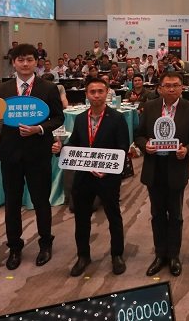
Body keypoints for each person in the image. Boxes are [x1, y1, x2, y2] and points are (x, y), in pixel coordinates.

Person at [0, 43, 64, 270]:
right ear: (13, 63)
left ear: (36, 62)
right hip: (11, 153)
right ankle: (14, 247)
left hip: (38, 153)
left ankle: (45, 243)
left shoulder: (48, 88)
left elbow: (58, 118)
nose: (25, 64)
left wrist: (39, 129)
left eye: (29, 59)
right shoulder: (1, 90)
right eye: (20, 60)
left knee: (41, 201)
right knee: (12, 202)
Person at [51, 78, 131, 277]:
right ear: (86, 94)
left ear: (107, 93)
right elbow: (74, 144)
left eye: (100, 91)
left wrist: (109, 169)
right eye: (92, 92)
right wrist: (61, 149)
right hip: (84, 177)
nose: (96, 95)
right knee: (81, 218)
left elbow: (122, 148)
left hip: (107, 177)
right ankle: (83, 256)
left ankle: (117, 254)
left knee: (113, 216)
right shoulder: (80, 119)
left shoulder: (117, 118)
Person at [134, 72, 189, 277]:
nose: (171, 89)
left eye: (176, 85)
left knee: (175, 215)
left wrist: (186, 150)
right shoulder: (150, 107)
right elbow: (139, 135)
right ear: (160, 88)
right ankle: (160, 255)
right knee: (157, 214)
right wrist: (145, 145)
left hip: (176, 167)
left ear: (182, 88)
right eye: (167, 85)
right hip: (154, 168)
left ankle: (174, 255)